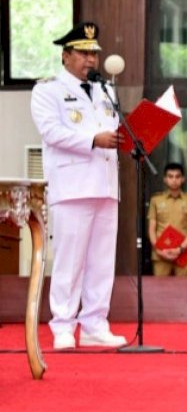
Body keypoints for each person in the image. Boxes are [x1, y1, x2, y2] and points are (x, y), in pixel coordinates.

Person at [30, 21, 127, 349]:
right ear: (65, 56)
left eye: (94, 54)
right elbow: (51, 132)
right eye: (83, 53)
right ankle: (62, 326)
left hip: (105, 184)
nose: (91, 60)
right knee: (70, 261)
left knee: (102, 261)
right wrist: (94, 140)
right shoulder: (47, 90)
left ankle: (95, 324)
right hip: (72, 186)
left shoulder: (106, 90)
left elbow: (115, 131)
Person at [147, 162, 187, 277]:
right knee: (159, 287)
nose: (174, 180)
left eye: (177, 176)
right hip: (161, 253)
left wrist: (180, 249)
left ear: (183, 179)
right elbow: (152, 229)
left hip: (184, 253)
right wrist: (159, 249)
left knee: (184, 287)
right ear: (165, 179)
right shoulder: (156, 200)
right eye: (170, 176)